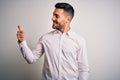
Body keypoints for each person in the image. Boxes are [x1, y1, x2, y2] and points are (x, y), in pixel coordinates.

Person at [17, 2, 89, 80]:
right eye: (53, 15)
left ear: (67, 19)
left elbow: (83, 69)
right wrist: (22, 42)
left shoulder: (79, 40)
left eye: (56, 16)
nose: (52, 18)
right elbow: (31, 59)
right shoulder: (45, 38)